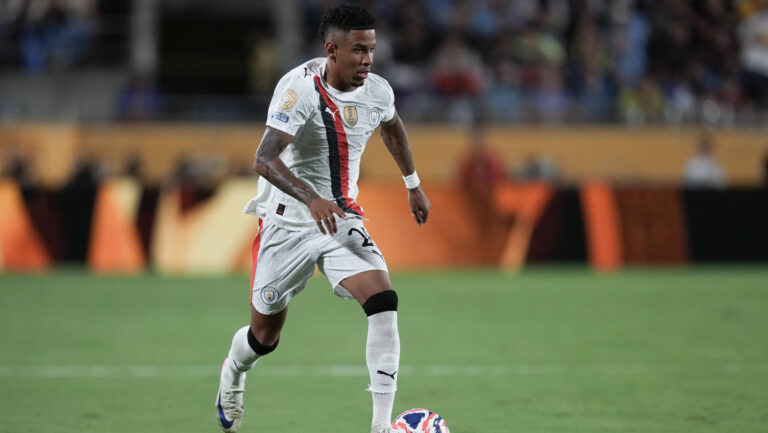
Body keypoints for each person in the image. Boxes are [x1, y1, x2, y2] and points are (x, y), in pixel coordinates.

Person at [215, 5, 431, 433]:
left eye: (372, 49)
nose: (368, 59)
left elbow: (392, 127)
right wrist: (312, 199)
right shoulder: (298, 90)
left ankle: (381, 426)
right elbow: (264, 158)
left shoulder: (377, 90)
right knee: (264, 337)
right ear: (332, 49)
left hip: (341, 221)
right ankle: (233, 374)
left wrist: (413, 182)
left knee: (384, 300)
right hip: (286, 223)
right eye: (358, 51)